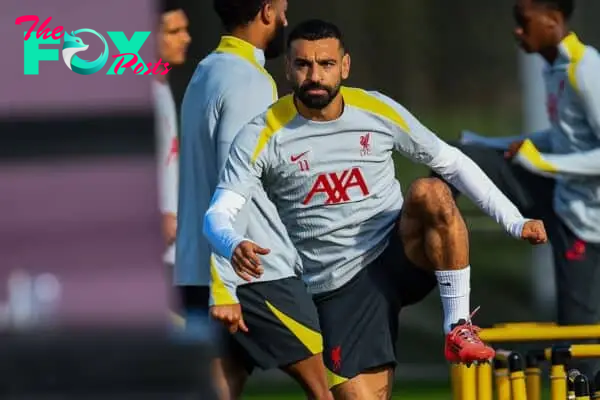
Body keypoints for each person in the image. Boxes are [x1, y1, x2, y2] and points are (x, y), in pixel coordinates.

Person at [204, 19, 548, 398]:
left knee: (430, 191)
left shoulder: (376, 109)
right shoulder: (262, 133)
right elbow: (219, 213)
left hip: (398, 253)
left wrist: (515, 221)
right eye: (303, 65)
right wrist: (232, 242)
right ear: (288, 68)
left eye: (326, 64)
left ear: (345, 66)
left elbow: (454, 163)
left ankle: (457, 327)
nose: (314, 75)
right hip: (339, 287)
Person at [434, 0, 600, 378]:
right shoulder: (554, 69)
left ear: (554, 20)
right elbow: (562, 139)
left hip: (589, 221)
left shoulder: (586, 69)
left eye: (524, 23)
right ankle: (431, 264)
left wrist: (540, 162)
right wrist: (490, 143)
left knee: (579, 346)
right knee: (461, 157)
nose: (517, 32)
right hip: (564, 202)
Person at [177, 1, 331, 399]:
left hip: (201, 272)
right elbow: (232, 185)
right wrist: (225, 287)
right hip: (251, 273)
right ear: (265, 10)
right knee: (331, 384)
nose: (284, 19)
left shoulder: (206, 71)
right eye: (281, 9)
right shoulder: (249, 80)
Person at [154, 1, 190, 273]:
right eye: (174, 31)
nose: (186, 38)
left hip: (172, 245)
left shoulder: (162, 86)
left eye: (185, 30)